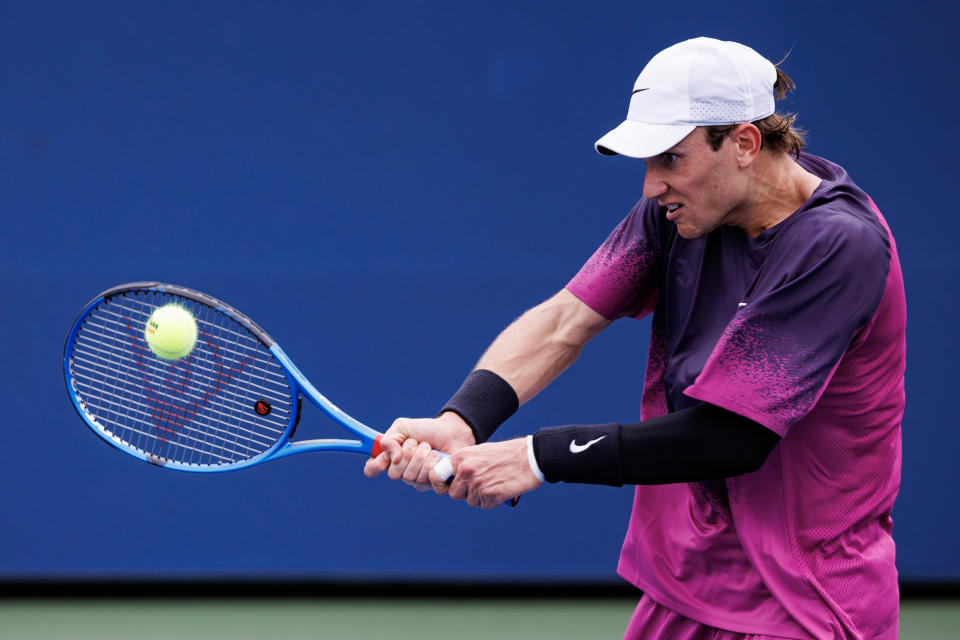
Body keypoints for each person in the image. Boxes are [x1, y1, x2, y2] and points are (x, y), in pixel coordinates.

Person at [364, 37, 905, 640]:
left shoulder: (839, 246)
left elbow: (733, 436)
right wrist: (465, 418)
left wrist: (538, 457)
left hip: (807, 603)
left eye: (671, 158)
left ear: (746, 143)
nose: (651, 186)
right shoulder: (680, 214)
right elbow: (566, 321)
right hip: (688, 584)